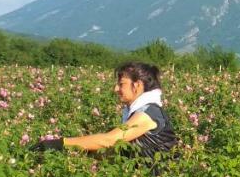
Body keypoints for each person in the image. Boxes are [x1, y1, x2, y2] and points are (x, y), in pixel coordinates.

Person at [32, 61, 178, 157]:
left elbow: (109, 140)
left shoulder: (147, 115)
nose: (116, 89)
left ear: (137, 85)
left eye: (121, 84)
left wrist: (60, 144)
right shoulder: (138, 111)